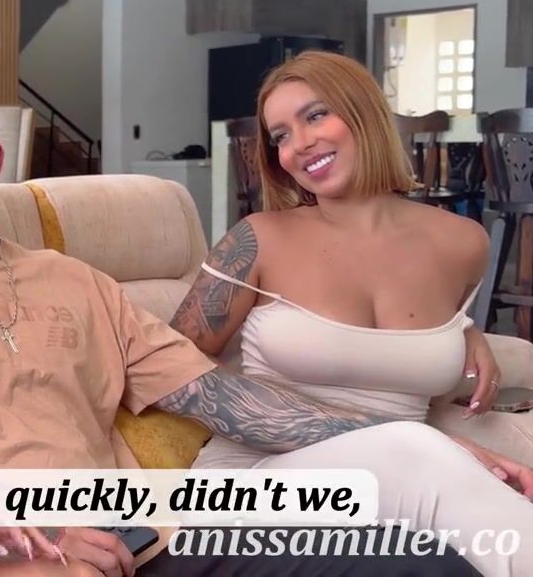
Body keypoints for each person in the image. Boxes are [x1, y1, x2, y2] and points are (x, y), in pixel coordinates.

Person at [0, 70, 484, 577]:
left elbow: (224, 400)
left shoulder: (75, 281)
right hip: (5, 558)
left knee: (423, 565)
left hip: (144, 545)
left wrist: (419, 445)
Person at [168, 50, 533, 576]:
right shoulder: (258, 240)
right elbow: (168, 367)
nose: (299, 143)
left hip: (396, 492)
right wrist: (434, 445)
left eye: (316, 115)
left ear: (364, 112)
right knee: (414, 450)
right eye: (281, 135)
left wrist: (464, 331)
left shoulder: (463, 243)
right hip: (254, 485)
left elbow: (406, 355)